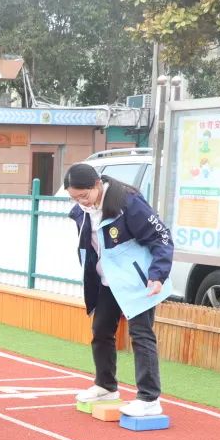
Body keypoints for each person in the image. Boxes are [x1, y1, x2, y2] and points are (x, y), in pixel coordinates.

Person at [64, 163, 173, 416]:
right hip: (107, 281)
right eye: (75, 197)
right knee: (101, 331)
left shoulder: (128, 203)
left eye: (85, 195)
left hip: (139, 281)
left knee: (141, 335)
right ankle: (106, 385)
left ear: (97, 185)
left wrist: (158, 275)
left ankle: (149, 398)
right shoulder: (80, 211)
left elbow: (162, 238)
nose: (82, 202)